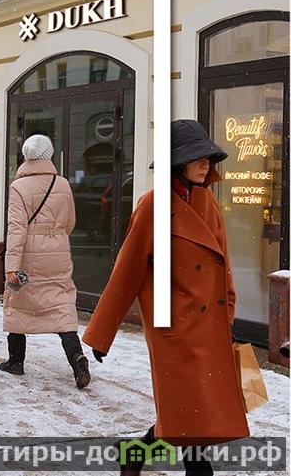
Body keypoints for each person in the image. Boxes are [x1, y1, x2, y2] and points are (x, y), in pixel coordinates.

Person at [83, 120, 248, 475]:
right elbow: (126, 273)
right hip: (173, 329)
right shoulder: (152, 206)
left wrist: (228, 318)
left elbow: (223, 267)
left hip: (208, 328)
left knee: (191, 414)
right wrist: (101, 334)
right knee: (191, 414)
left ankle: (135, 452)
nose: (205, 163)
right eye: (196, 157)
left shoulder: (208, 202)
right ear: (177, 162)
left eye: (208, 157)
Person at [0, 134, 91, 389]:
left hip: (28, 254)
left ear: (26, 156)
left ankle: (16, 361)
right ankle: (76, 357)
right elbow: (70, 222)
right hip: (58, 252)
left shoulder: (19, 187)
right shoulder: (62, 184)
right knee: (61, 304)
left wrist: (11, 266)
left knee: (17, 302)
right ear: (49, 154)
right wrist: (54, 237)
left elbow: (16, 229)